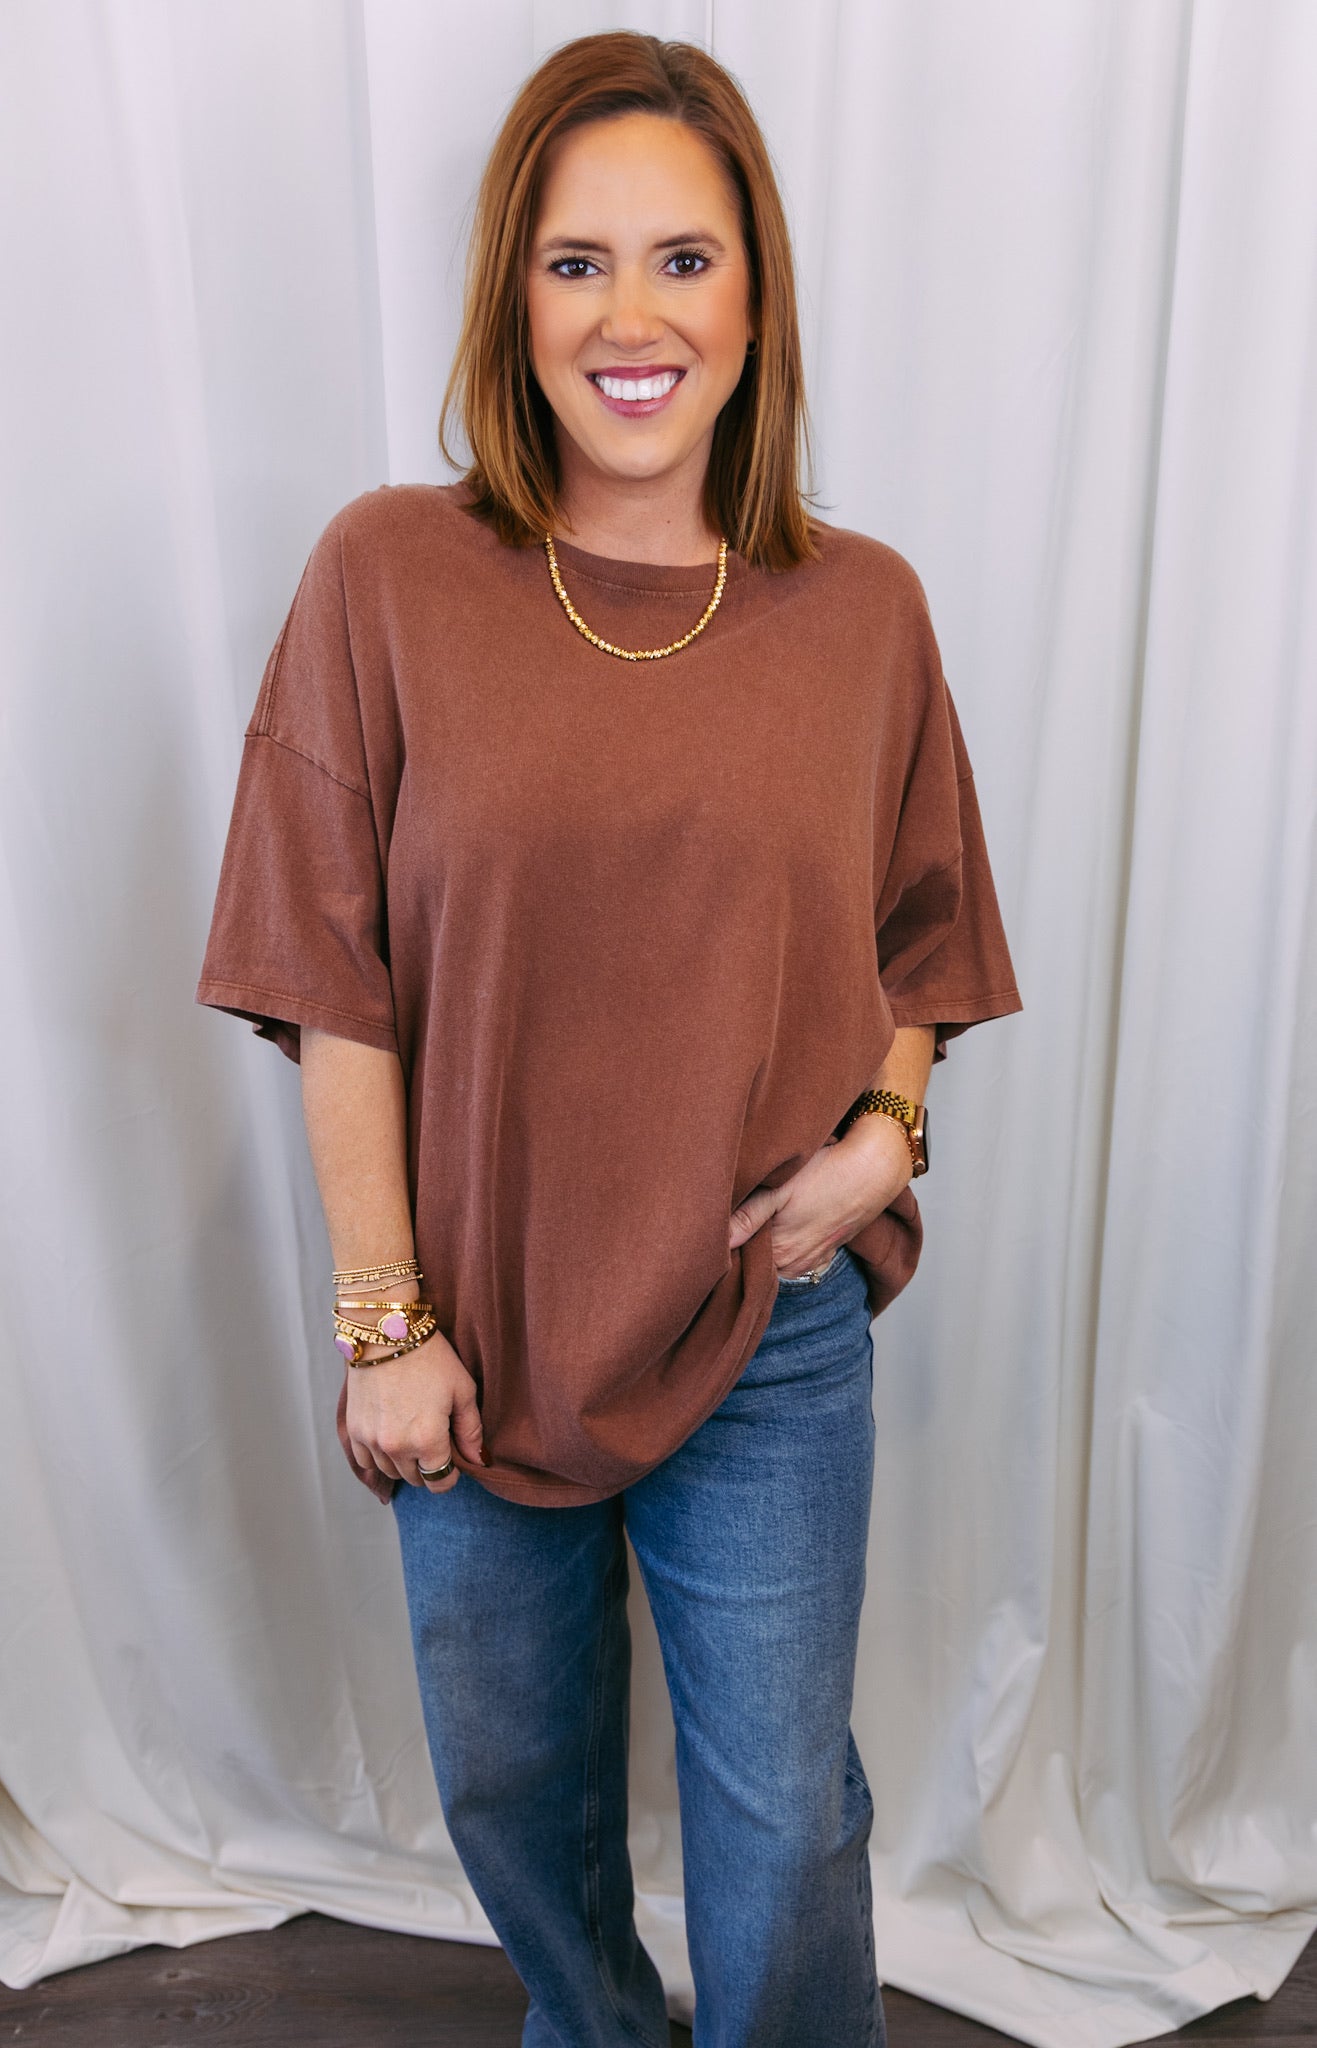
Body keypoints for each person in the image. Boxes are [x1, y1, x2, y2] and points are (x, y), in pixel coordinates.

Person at [197, 30, 1020, 2047]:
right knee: (511, 1788)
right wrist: (385, 1325)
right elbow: (330, 978)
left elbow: (922, 935)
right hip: (472, 1331)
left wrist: (882, 1135)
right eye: (575, 263)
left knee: (783, 1823)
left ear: (754, 297)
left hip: (766, 1323)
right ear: (513, 297)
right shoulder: (388, 575)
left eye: (681, 259)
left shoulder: (860, 610)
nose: (629, 318)